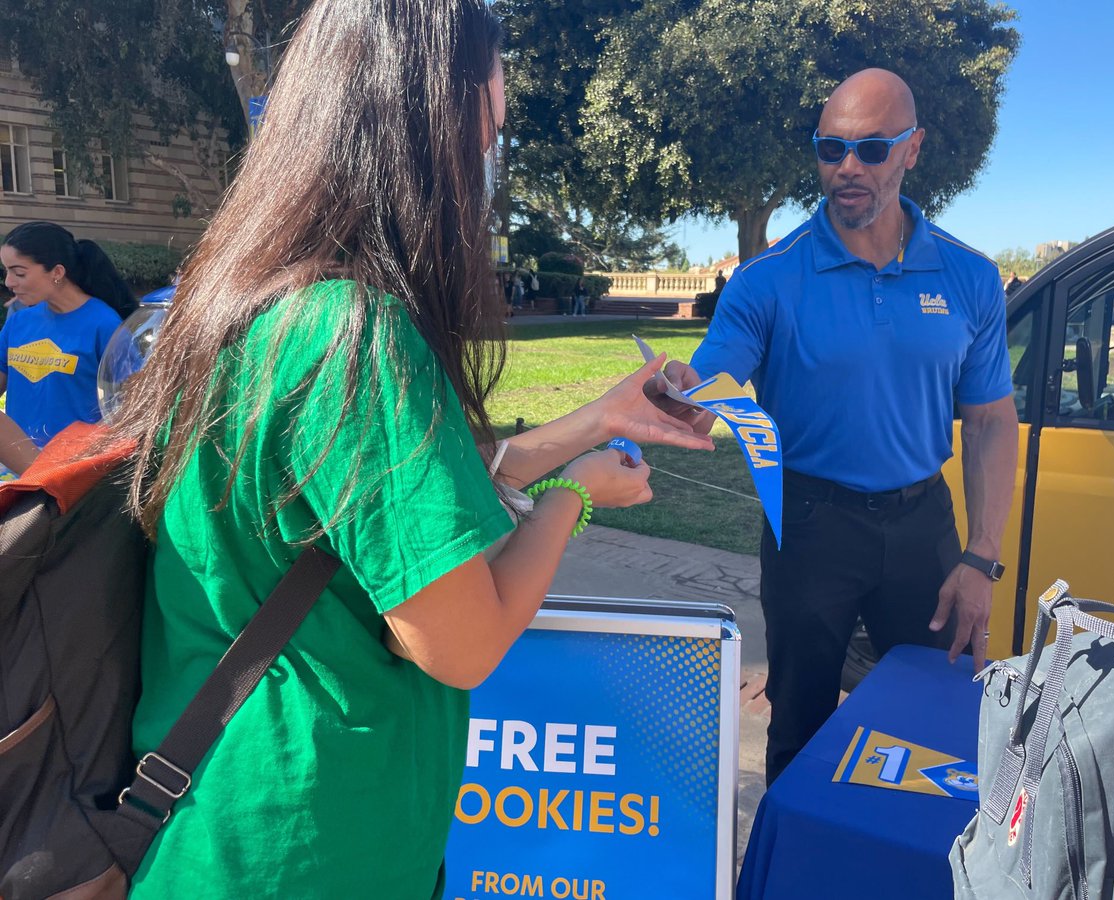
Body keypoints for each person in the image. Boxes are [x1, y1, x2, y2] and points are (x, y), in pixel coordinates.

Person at [101, 1, 712, 896]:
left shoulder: (249, 305)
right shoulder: (357, 335)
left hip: (220, 823)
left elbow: (385, 511)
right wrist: (575, 495)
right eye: (489, 131)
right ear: (430, 126)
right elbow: (462, 644)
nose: (488, 167)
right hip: (310, 849)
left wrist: (598, 419)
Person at [659, 68, 1018, 785]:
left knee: (933, 725)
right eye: (831, 149)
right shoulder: (768, 279)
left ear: (912, 149)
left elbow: (988, 422)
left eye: (872, 149)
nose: (848, 167)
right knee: (800, 727)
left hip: (923, 525)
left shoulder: (970, 277)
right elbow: (710, 381)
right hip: (809, 526)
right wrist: (682, 393)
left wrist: (981, 557)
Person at [0, 221, 137, 449]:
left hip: (76, 464)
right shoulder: (19, 321)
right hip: (18, 462)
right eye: (7, 271)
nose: (9, 282)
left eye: (19, 273)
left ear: (57, 272)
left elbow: (129, 406)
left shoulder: (105, 325)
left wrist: (81, 453)